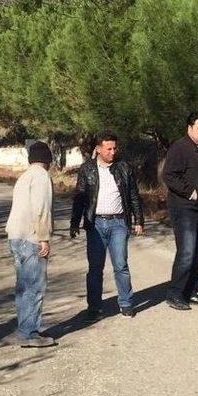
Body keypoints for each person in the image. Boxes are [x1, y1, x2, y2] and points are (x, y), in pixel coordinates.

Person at [70, 132, 144, 320]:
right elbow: (79, 197)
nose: (113, 152)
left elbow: (134, 196)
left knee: (121, 264)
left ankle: (126, 303)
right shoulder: (87, 169)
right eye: (109, 148)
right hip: (95, 224)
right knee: (95, 267)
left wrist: (138, 220)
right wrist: (74, 222)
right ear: (98, 148)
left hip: (119, 222)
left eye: (115, 148)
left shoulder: (124, 167)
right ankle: (94, 307)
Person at [163, 112, 198, 310]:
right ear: (189, 128)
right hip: (184, 208)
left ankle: (190, 292)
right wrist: (190, 193)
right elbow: (169, 175)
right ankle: (175, 294)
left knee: (197, 252)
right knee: (186, 252)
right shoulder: (180, 148)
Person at [5, 141, 56, 347]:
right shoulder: (42, 177)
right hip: (31, 237)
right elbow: (41, 209)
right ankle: (30, 333)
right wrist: (43, 238)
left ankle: (24, 330)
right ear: (48, 160)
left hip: (15, 236)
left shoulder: (24, 176)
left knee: (23, 287)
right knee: (35, 287)